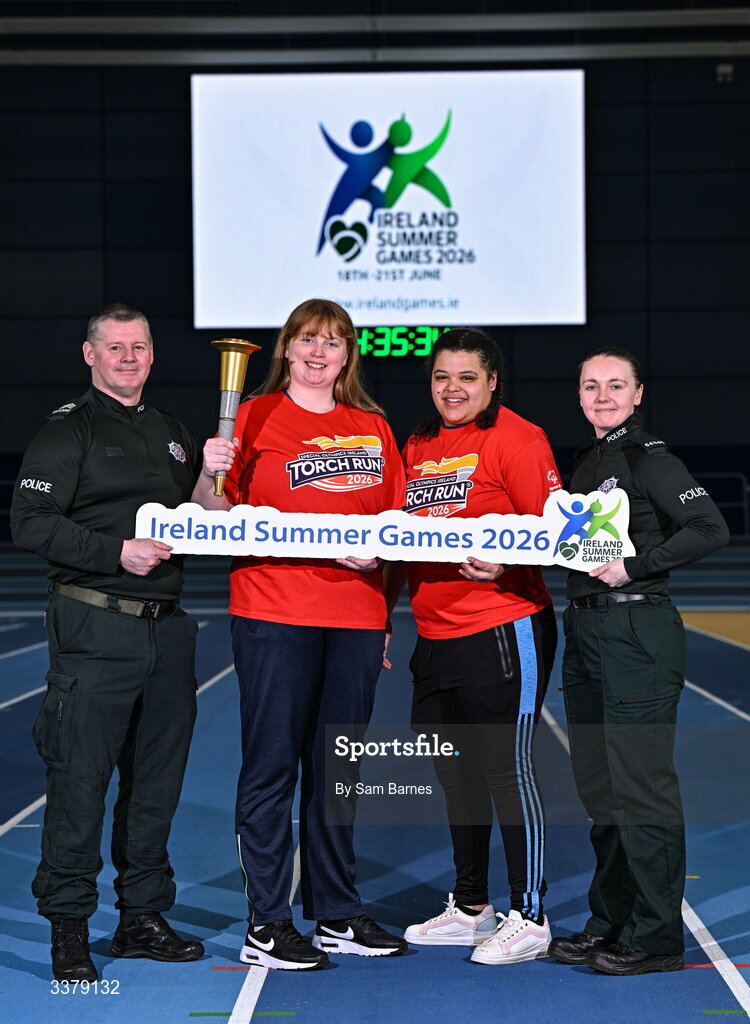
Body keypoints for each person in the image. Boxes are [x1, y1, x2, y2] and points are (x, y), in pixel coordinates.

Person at [193, 297, 408, 970]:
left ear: (348, 356)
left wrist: (381, 600)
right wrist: (207, 468)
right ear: (286, 348)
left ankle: (337, 913)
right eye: (307, 339)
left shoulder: (372, 427)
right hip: (274, 613)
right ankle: (267, 923)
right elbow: (209, 513)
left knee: (338, 770)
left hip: (355, 619)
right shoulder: (251, 416)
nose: (319, 352)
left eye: (333, 342)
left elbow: (398, 528)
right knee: (272, 768)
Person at [11, 304, 205, 982]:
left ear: (153, 355)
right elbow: (29, 521)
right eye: (115, 347)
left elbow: (198, 520)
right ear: (90, 354)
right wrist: (114, 552)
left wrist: (210, 476)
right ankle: (69, 927)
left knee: (156, 784)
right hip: (96, 625)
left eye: (139, 346)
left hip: (168, 630)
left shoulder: (172, 433)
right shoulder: (69, 431)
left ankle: (140, 918)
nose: (128, 358)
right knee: (80, 780)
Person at [548, 347, 729, 976]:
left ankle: (655, 938)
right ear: (579, 395)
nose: (602, 396)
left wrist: (636, 566)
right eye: (591, 386)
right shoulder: (587, 461)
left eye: (615, 385)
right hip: (586, 629)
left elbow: (709, 527)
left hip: (634, 630)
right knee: (602, 793)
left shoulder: (649, 458)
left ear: (638, 393)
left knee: (641, 791)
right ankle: (611, 922)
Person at [388, 328, 561, 965]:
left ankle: (531, 915)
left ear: (492, 382)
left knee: (505, 771)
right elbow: (399, 535)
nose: (452, 388)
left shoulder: (518, 438)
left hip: (503, 628)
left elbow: (558, 530)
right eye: (441, 377)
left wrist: (510, 562)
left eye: (466, 377)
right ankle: (471, 908)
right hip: (435, 636)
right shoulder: (418, 443)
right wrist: (382, 616)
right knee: (455, 775)